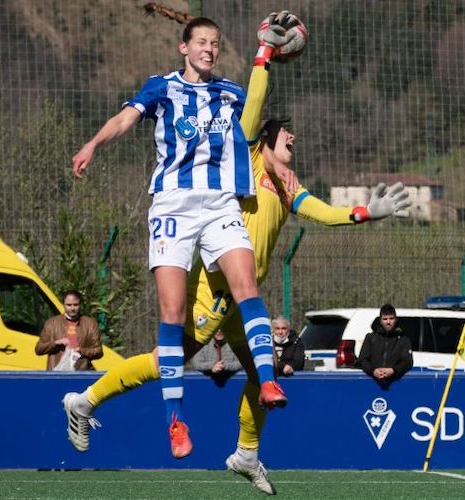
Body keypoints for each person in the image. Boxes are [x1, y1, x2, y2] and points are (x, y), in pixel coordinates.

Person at [62, 10, 410, 493]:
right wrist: (264, 57)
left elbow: (324, 212)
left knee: (258, 371)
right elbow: (248, 124)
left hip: (240, 294)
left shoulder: (287, 185)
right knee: (166, 357)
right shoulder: (242, 157)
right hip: (214, 292)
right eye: (286, 136)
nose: (293, 141)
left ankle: (247, 451)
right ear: (267, 142)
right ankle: (88, 401)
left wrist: (366, 212)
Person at [71, 14, 290, 458]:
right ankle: (175, 422)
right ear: (183, 48)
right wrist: (94, 143)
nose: (209, 48)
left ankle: (267, 378)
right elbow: (124, 118)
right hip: (173, 205)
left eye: (215, 42)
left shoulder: (229, 93)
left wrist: (265, 56)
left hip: (219, 205)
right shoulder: (161, 87)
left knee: (246, 284)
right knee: (172, 315)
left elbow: (253, 126)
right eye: (202, 41)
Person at [35, 290, 103, 371]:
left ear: (80, 305)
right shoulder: (51, 323)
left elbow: (98, 351)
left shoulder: (90, 323)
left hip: (81, 372)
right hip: (57, 374)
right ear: (63, 304)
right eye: (69, 305)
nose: (72, 308)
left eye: (75, 305)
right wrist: (56, 343)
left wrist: (81, 350)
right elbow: (39, 349)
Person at [358, 303, 413, 388]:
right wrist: (373, 371)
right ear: (380, 320)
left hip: (396, 383)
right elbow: (362, 360)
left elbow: (407, 362)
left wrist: (393, 370)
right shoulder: (371, 337)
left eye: (391, 318)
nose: (388, 322)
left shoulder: (403, 339)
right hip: (372, 383)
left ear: (396, 319)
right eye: (385, 319)